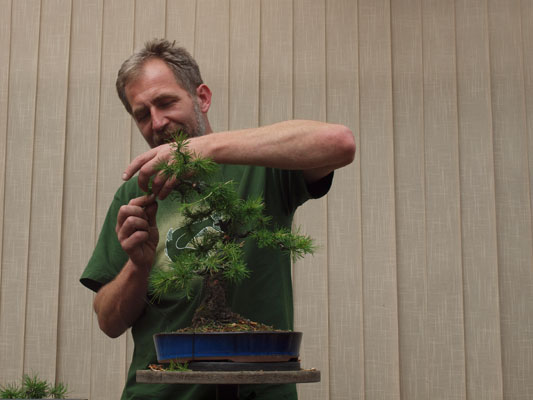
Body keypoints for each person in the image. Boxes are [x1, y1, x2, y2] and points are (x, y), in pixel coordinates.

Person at [80, 39, 355, 400]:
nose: (157, 122)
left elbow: (340, 142)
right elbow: (108, 321)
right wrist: (138, 265)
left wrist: (204, 147)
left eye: (166, 102)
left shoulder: (260, 167)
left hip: (258, 392)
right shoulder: (137, 192)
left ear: (203, 98)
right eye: (142, 114)